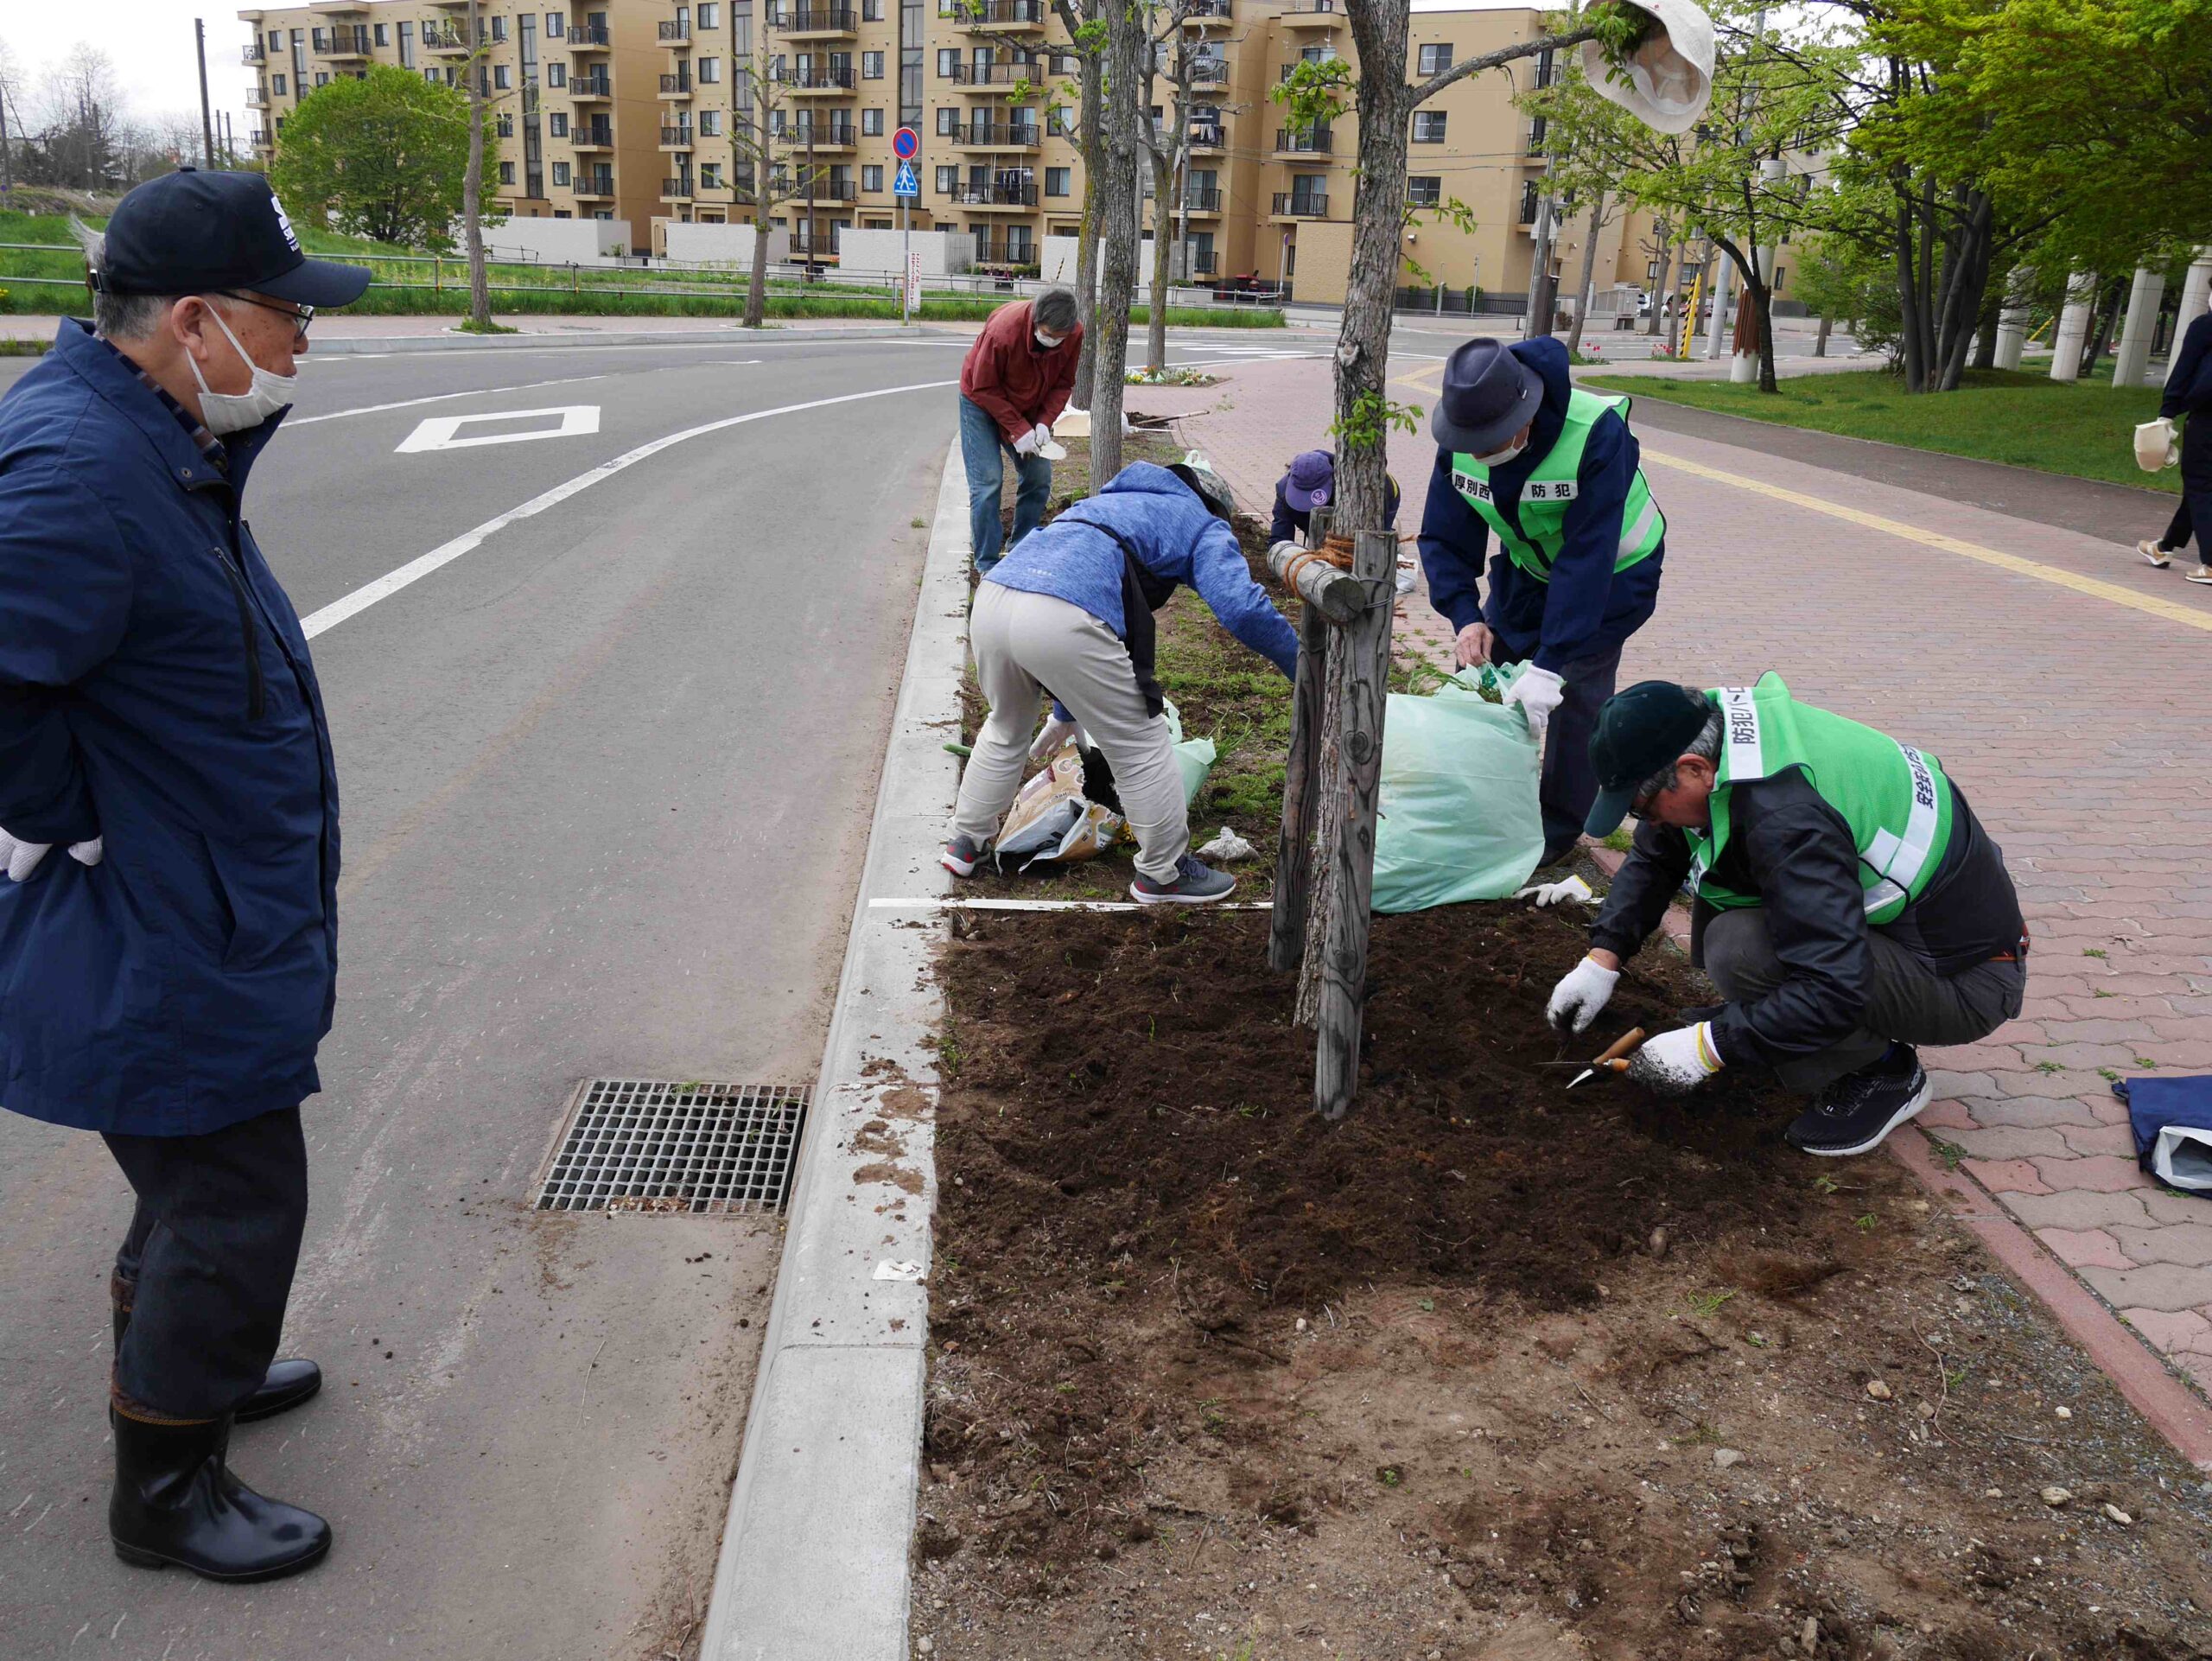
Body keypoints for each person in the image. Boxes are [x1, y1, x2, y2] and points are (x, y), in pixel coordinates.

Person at [0, 169, 367, 1582]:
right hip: (159, 915)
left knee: (194, 1165)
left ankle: (195, 1362)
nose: (302, 345)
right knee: (231, 1193)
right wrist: (68, 809)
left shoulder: (158, 432)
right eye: (288, 319)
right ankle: (165, 1482)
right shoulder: (81, 468)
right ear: (198, 322)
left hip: (204, 894)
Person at [1548, 675, 2027, 1158]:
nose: (1645, 822)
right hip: (1907, 936)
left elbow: (1833, 987)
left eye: (1643, 808)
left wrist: (1709, 1047)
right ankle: (1788, 1027)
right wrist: (1601, 959)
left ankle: (1883, 1071)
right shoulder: (1724, 737)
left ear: (1693, 769)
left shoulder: (1787, 817)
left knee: (1740, 950)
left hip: (1966, 980)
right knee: (1747, 938)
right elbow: (1658, 854)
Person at [943, 457, 1298, 904]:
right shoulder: (1200, 520)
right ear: (1213, 505)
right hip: (1061, 612)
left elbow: (1078, 582)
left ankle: (966, 843)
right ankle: (1164, 874)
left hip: (997, 596)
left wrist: (1065, 712)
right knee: (1139, 743)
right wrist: (1305, 669)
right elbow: (1242, 608)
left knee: (1006, 725)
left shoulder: (1110, 502)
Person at [1418, 334, 1669, 867]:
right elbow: (1444, 537)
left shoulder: (1596, 434)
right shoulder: (1463, 436)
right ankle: (1484, 804)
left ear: (1525, 413)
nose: (1481, 453)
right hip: (1529, 569)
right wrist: (1467, 617)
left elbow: (1588, 559)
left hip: (1614, 575)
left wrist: (1551, 666)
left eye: (1491, 440)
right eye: (1471, 442)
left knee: (1575, 693)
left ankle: (1556, 832)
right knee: (1490, 673)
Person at [957, 287, 1084, 575]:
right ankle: (988, 565)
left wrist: (1043, 422)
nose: (1052, 342)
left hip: (1029, 405)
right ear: (1035, 321)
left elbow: (1064, 383)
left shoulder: (1074, 333)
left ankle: (1021, 550)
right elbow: (983, 386)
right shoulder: (1003, 333)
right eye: (1047, 335)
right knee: (988, 482)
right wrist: (1017, 430)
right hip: (981, 402)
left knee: (1039, 477)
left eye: (1059, 338)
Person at [2136, 306, 2212, 583]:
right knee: (2200, 485)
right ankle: (2165, 547)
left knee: (2201, 482)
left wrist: (2168, 411)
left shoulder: (2205, 325)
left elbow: (2185, 367)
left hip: (2208, 418)